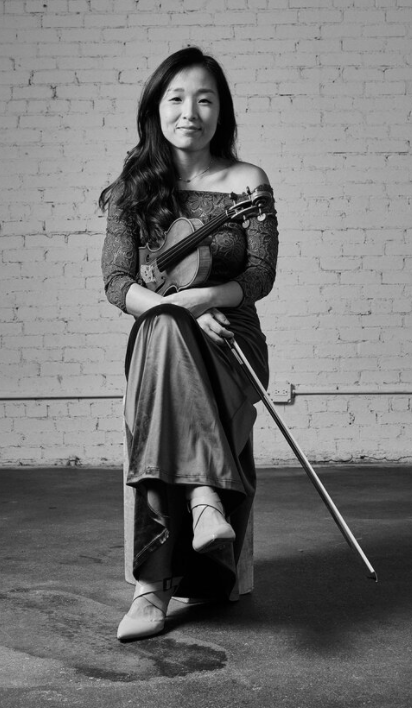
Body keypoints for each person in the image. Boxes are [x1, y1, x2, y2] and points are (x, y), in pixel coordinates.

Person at [99, 46, 279, 642]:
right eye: (176, 98)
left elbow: (258, 277)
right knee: (161, 328)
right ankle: (205, 500)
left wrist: (201, 301)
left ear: (220, 109)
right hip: (163, 338)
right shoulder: (134, 190)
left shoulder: (247, 182)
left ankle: (150, 593)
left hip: (231, 340)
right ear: (157, 108)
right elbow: (119, 284)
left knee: (163, 337)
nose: (190, 111)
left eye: (205, 98)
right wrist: (177, 310)